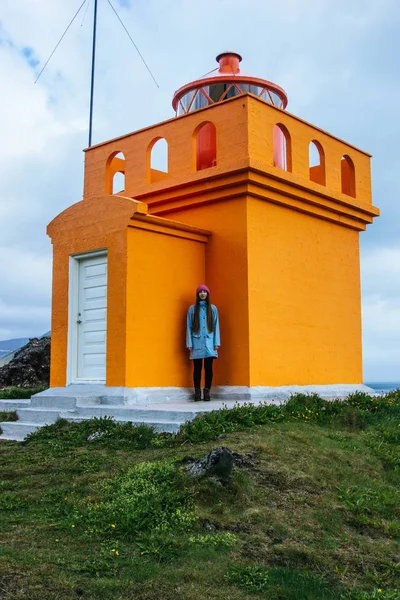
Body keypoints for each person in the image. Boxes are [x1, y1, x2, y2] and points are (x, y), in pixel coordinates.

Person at [186, 285, 220, 401]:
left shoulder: (213, 309)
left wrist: (216, 343)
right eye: (200, 292)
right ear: (197, 294)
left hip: (210, 343)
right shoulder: (192, 309)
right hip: (197, 343)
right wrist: (189, 343)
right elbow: (189, 326)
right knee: (197, 368)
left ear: (208, 294)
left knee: (209, 368)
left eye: (205, 291)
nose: (202, 294)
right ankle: (197, 392)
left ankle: (207, 392)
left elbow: (216, 326)